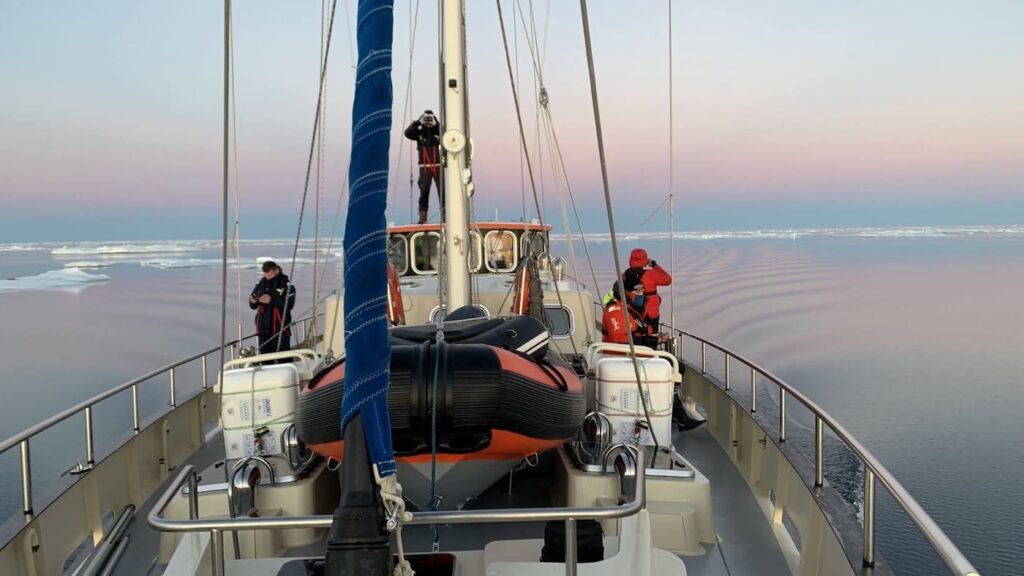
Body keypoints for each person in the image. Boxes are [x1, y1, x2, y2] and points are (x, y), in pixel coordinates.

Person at [249, 261, 296, 355]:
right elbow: (253, 305)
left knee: (283, 358)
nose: (267, 277)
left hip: (280, 328)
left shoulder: (287, 285)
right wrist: (253, 301)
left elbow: (289, 305)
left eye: (269, 275)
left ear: (276, 270)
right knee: (265, 358)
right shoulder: (261, 283)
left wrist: (272, 300)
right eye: (265, 275)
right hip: (263, 330)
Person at [404, 110, 442, 224]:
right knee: (424, 191)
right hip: (424, 166)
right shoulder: (419, 132)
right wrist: (418, 122)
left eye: (430, 119)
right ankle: (423, 217)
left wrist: (437, 123)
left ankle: (445, 215)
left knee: (442, 191)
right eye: (426, 119)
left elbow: (446, 134)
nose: (428, 121)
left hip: (437, 165)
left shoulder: (437, 130)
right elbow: (407, 133)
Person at [625, 248, 672, 334]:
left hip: (631, 312)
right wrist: (654, 265)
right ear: (645, 260)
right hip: (651, 313)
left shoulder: (625, 275)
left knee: (635, 335)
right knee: (651, 338)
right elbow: (668, 280)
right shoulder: (651, 274)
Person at [601, 275, 649, 345]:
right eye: (638, 292)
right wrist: (643, 341)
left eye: (642, 291)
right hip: (619, 354)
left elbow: (639, 330)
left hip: (638, 352)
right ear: (625, 293)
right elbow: (618, 339)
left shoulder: (633, 309)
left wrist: (655, 338)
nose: (641, 295)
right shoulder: (614, 311)